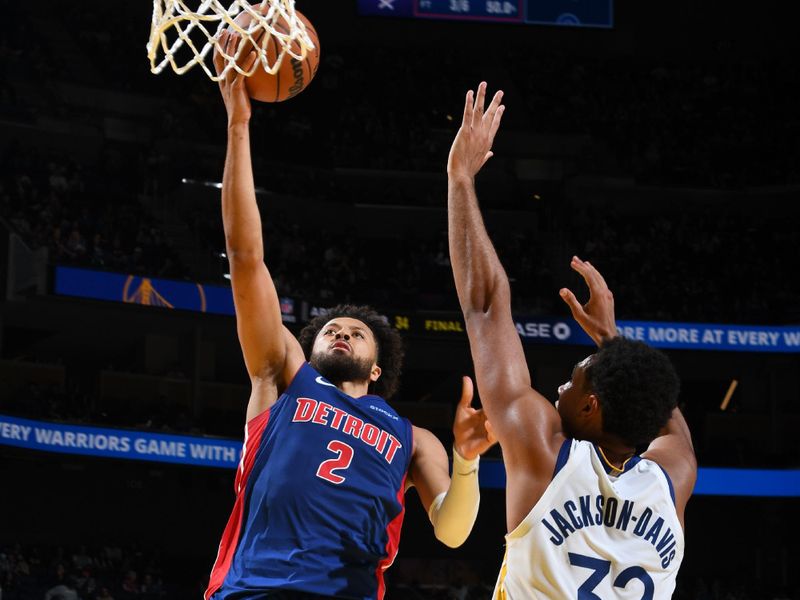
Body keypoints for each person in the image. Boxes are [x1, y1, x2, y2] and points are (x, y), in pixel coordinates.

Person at [204, 33, 496, 600]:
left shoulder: (412, 440)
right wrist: (238, 127)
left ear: (378, 367)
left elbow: (454, 531)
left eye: (356, 332)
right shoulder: (284, 376)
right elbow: (245, 258)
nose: (340, 332)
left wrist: (464, 460)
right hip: (252, 590)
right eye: (331, 329)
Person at [446, 82, 697, 599]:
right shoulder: (669, 484)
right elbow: (664, 420)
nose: (560, 387)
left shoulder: (546, 456)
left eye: (573, 379)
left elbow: (487, 307)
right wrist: (611, 343)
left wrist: (460, 178)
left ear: (590, 406)